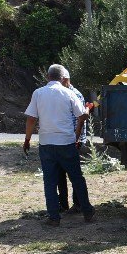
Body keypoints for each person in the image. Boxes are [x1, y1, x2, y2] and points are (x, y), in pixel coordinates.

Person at [23, 64, 95, 227]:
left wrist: (27, 139)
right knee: (77, 178)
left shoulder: (38, 93)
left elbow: (31, 119)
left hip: (46, 143)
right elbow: (81, 116)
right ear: (63, 78)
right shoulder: (69, 93)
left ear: (48, 77)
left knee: (50, 181)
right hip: (66, 143)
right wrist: (88, 109)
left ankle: (54, 217)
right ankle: (87, 212)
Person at [57, 69, 91, 213]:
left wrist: (75, 139)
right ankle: (63, 203)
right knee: (60, 173)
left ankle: (78, 204)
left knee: (74, 174)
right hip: (65, 140)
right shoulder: (63, 93)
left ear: (65, 79)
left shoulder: (74, 94)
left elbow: (80, 119)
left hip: (73, 140)